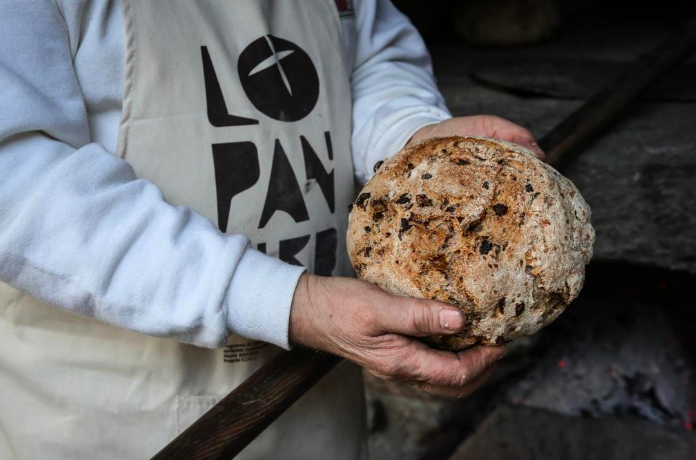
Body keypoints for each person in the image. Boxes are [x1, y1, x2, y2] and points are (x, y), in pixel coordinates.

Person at [0, 0, 543, 458]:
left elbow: (369, 51)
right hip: (114, 423)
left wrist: (410, 140)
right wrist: (288, 302)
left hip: (315, 414)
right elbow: (15, 177)